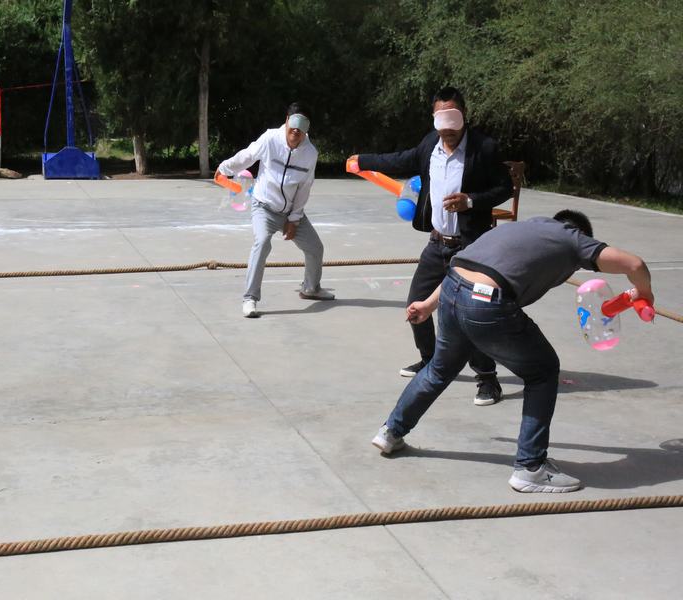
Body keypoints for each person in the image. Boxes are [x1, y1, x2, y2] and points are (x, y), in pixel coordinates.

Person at [371, 210, 654, 493]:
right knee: (543, 371)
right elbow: (634, 264)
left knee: (439, 368)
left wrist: (427, 305)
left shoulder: (520, 228)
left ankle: (391, 431)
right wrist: (645, 293)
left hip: (452, 289)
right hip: (485, 302)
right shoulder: (572, 239)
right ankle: (531, 468)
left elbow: (467, 268)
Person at [349, 87, 512, 406]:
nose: (447, 129)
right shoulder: (429, 145)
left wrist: (471, 201)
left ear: (464, 116)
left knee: (471, 312)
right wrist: (362, 160)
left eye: (453, 119)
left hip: (470, 247)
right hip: (437, 244)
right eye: (441, 120)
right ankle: (429, 359)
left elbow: (505, 187)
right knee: (416, 303)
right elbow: (400, 159)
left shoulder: (484, 148)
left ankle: (487, 378)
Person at [218, 102, 334, 318]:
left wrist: (294, 219)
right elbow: (247, 156)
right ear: (287, 120)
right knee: (262, 243)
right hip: (264, 207)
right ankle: (250, 298)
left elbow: (304, 188)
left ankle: (311, 288)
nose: (296, 131)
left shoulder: (310, 153)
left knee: (315, 248)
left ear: (307, 129)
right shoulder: (271, 139)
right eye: (294, 123)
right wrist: (224, 168)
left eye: (302, 126)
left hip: (290, 211)